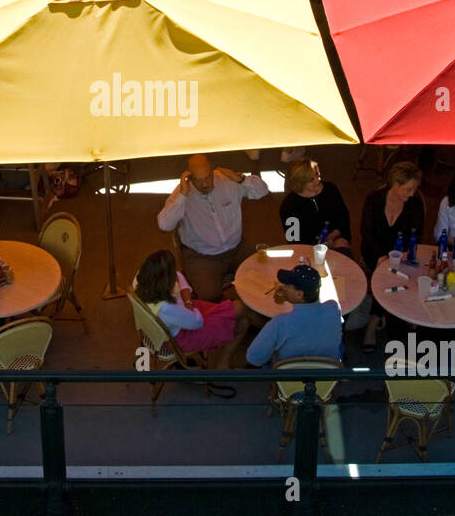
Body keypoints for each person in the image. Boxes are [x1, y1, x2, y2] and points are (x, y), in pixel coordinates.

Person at [157, 155, 269, 303]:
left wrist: (241, 178)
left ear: (212, 169)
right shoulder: (182, 192)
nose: (204, 184)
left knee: (264, 277)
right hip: (201, 256)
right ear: (188, 176)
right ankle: (232, 314)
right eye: (198, 180)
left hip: (237, 248)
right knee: (209, 296)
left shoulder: (228, 181)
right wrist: (182, 196)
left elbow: (262, 191)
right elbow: (164, 224)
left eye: (208, 178)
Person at [134, 249, 249, 379]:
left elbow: (178, 275)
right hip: (182, 336)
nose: (175, 273)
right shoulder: (167, 308)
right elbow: (197, 322)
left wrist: (186, 299)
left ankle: (223, 363)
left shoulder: (140, 280)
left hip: (179, 320)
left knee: (242, 319)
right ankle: (223, 363)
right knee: (241, 311)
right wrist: (188, 302)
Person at [358, 161, 425, 351]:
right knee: (386, 275)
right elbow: (366, 232)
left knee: (391, 274)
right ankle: (374, 322)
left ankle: (375, 319)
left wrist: (400, 255)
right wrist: (380, 256)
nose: (412, 193)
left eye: (414, 189)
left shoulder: (415, 203)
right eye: (408, 189)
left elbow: (416, 235)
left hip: (401, 253)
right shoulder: (374, 199)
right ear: (395, 184)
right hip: (374, 250)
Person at [245, 263, 343, 368]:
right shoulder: (333, 307)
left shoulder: (279, 323)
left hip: (289, 380)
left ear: (299, 294)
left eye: (288, 286)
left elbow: (253, 359)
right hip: (327, 378)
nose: (284, 287)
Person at [280, 159, 352, 258]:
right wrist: (318, 245)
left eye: (317, 174)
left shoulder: (330, 189)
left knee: (342, 244)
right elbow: (293, 238)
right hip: (307, 247)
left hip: (334, 239)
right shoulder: (289, 205)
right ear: (300, 183)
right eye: (311, 179)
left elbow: (343, 219)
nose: (318, 179)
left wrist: (331, 237)